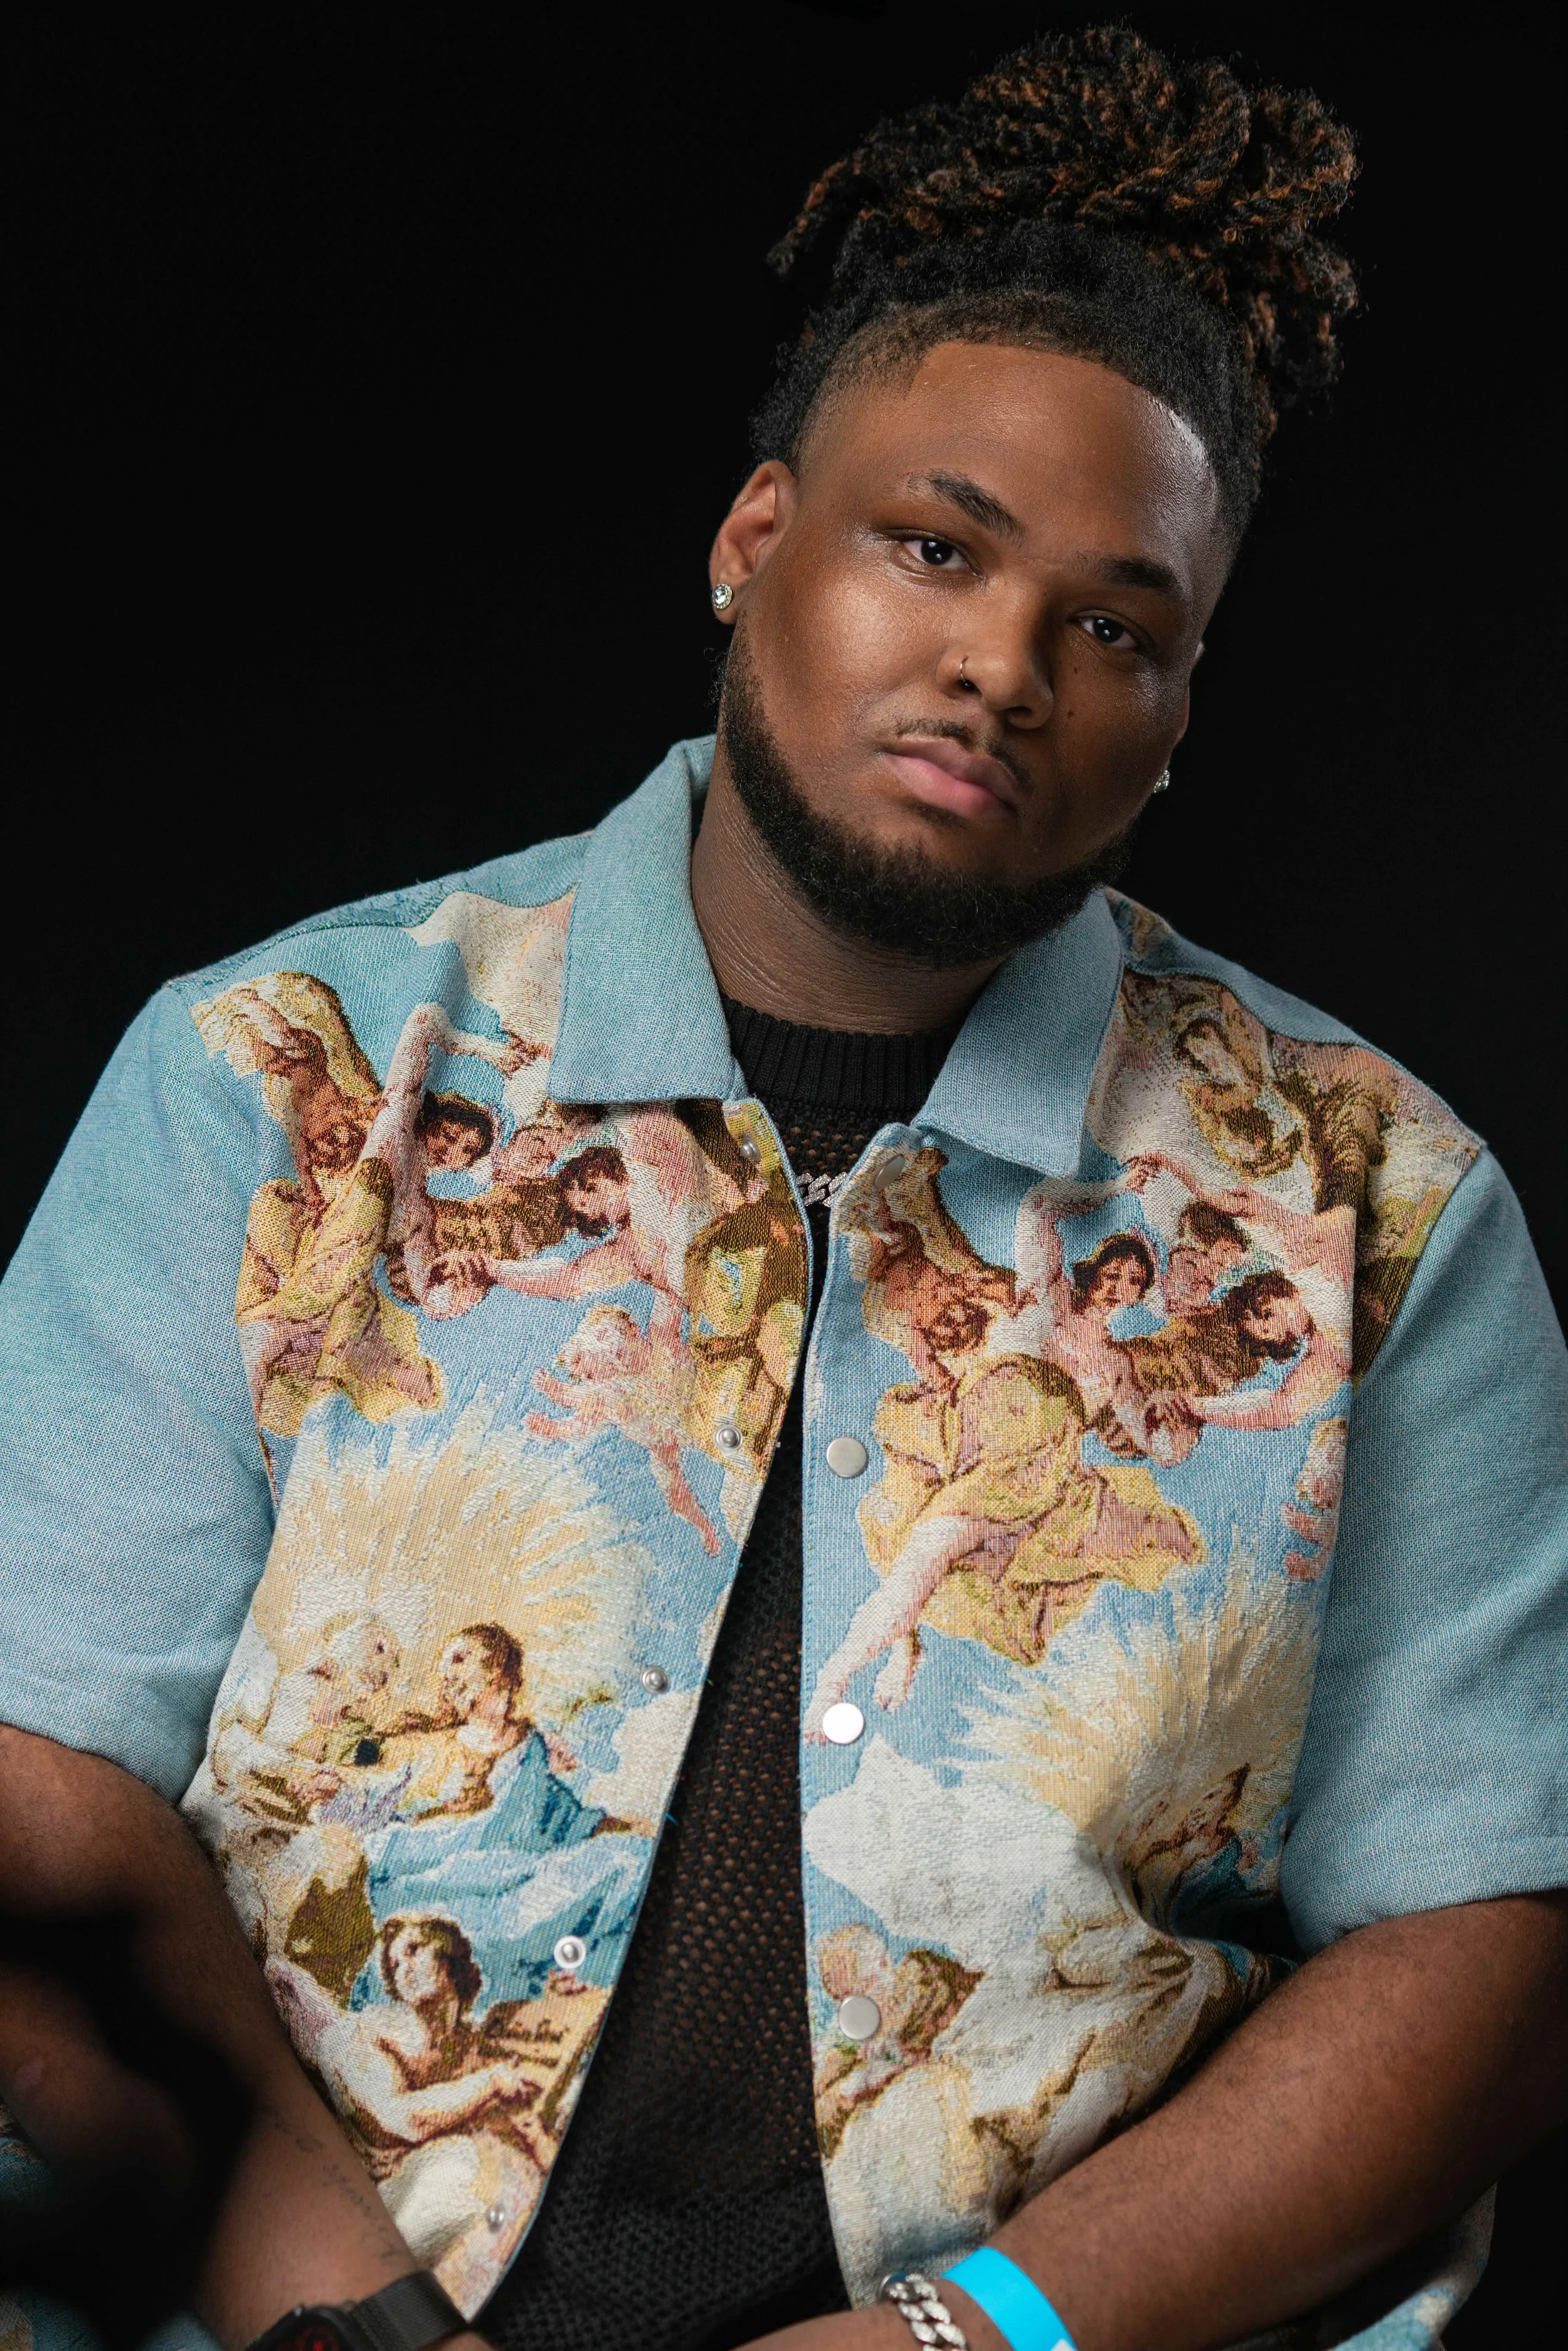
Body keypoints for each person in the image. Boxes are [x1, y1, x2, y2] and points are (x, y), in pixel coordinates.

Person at [0, 26, 1564, 2351]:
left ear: (1178, 709)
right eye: (930, 545)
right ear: (754, 548)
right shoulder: (275, 1079)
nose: (998, 664)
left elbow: (1475, 1943)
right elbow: (42, 1793)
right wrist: (328, 2306)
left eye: (1111, 628)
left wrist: (975, 2338)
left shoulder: (1378, 1220)